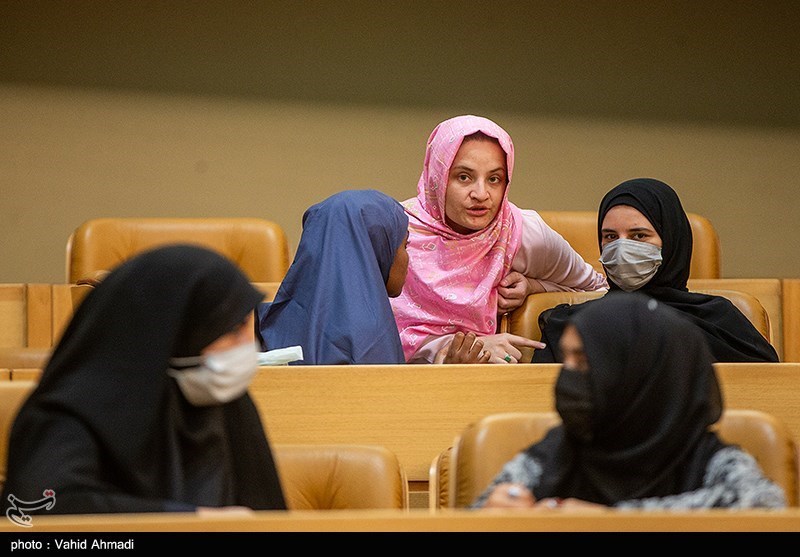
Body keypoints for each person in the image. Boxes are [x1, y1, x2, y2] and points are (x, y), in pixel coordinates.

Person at [1, 245, 287, 515]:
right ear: (174, 331)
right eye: (233, 330)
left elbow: (268, 515)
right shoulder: (66, 416)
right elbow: (39, 508)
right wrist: (192, 521)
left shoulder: (223, 399)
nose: (247, 346)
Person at [472, 293, 787, 510]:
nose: (567, 376)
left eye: (583, 361)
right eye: (566, 360)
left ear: (638, 372)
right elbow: (479, 514)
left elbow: (764, 508)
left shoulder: (708, 460)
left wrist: (607, 521)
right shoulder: (556, 451)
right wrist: (496, 513)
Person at [390, 114, 608, 364]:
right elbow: (368, 331)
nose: (481, 194)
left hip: (489, 379)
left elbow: (597, 290)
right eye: (464, 177)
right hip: (393, 378)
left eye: (494, 179)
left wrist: (534, 287)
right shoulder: (396, 229)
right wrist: (446, 348)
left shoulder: (520, 232)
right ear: (437, 176)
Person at [533, 177, 779, 363]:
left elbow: (766, 391)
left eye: (639, 236)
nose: (621, 248)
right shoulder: (569, 325)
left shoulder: (719, 322)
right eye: (610, 237)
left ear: (671, 241)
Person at [257, 189, 490, 365]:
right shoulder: (370, 342)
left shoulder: (262, 322)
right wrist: (449, 377)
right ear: (377, 251)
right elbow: (393, 409)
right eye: (404, 245)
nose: (408, 259)